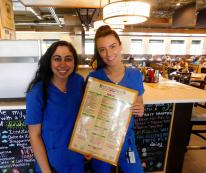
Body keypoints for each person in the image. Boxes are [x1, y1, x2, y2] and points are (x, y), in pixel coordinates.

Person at [87, 25, 145, 173]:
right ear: (98, 53)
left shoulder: (135, 75)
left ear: (120, 46)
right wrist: (85, 143)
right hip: (100, 140)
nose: (109, 54)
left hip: (126, 140)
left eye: (112, 46)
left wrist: (140, 109)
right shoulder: (94, 78)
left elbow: (139, 103)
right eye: (102, 49)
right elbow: (88, 115)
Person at [25, 40, 84, 173]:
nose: (63, 64)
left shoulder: (78, 81)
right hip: (51, 163)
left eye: (68, 59)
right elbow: (35, 136)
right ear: (49, 61)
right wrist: (46, 171)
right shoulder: (37, 93)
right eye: (57, 59)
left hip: (76, 160)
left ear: (74, 62)